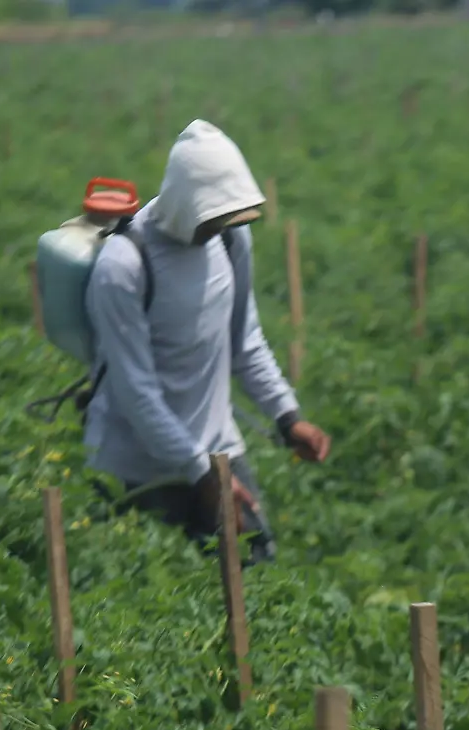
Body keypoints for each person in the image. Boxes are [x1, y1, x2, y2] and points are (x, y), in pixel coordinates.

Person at [85, 120, 330, 565]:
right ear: (187, 203)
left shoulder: (232, 237)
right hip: (139, 471)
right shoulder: (123, 265)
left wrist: (287, 417)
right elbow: (136, 392)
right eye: (212, 219)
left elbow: (245, 341)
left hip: (219, 453)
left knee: (255, 579)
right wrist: (202, 473)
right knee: (149, 600)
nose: (220, 227)